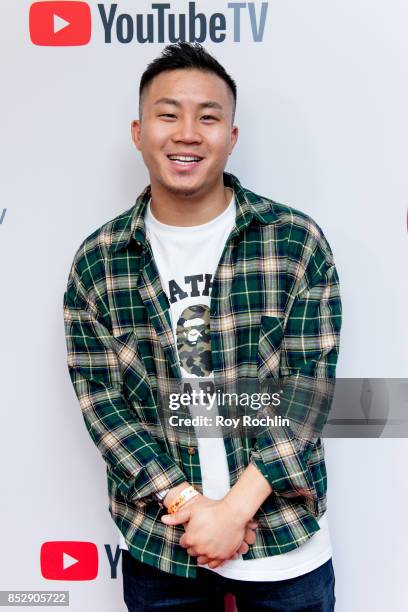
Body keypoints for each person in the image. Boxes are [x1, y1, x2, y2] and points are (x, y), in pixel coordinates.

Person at [63, 41, 341, 611]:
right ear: (139, 132)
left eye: (208, 117)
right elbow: (102, 403)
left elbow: (308, 391)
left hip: (282, 539)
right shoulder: (98, 260)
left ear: (231, 138)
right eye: (169, 114)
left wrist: (234, 511)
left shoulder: (294, 242)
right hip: (162, 543)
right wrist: (190, 504)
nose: (188, 133)